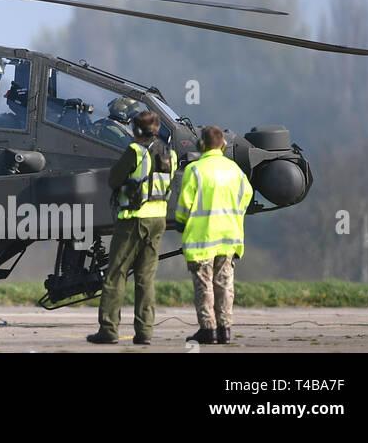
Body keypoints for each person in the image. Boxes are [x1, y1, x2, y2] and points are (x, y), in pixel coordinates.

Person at [87, 110, 175, 345]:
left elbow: (114, 179)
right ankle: (144, 332)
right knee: (145, 278)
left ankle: (108, 330)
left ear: (137, 131)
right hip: (158, 220)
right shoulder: (170, 155)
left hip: (133, 220)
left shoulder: (135, 151)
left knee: (116, 275)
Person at [176, 125, 252, 345]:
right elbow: (245, 198)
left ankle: (208, 330)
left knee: (204, 286)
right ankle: (225, 330)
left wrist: (181, 223)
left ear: (201, 145)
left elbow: (184, 206)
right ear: (223, 145)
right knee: (225, 284)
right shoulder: (236, 171)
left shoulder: (195, 170)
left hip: (201, 239)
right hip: (229, 238)